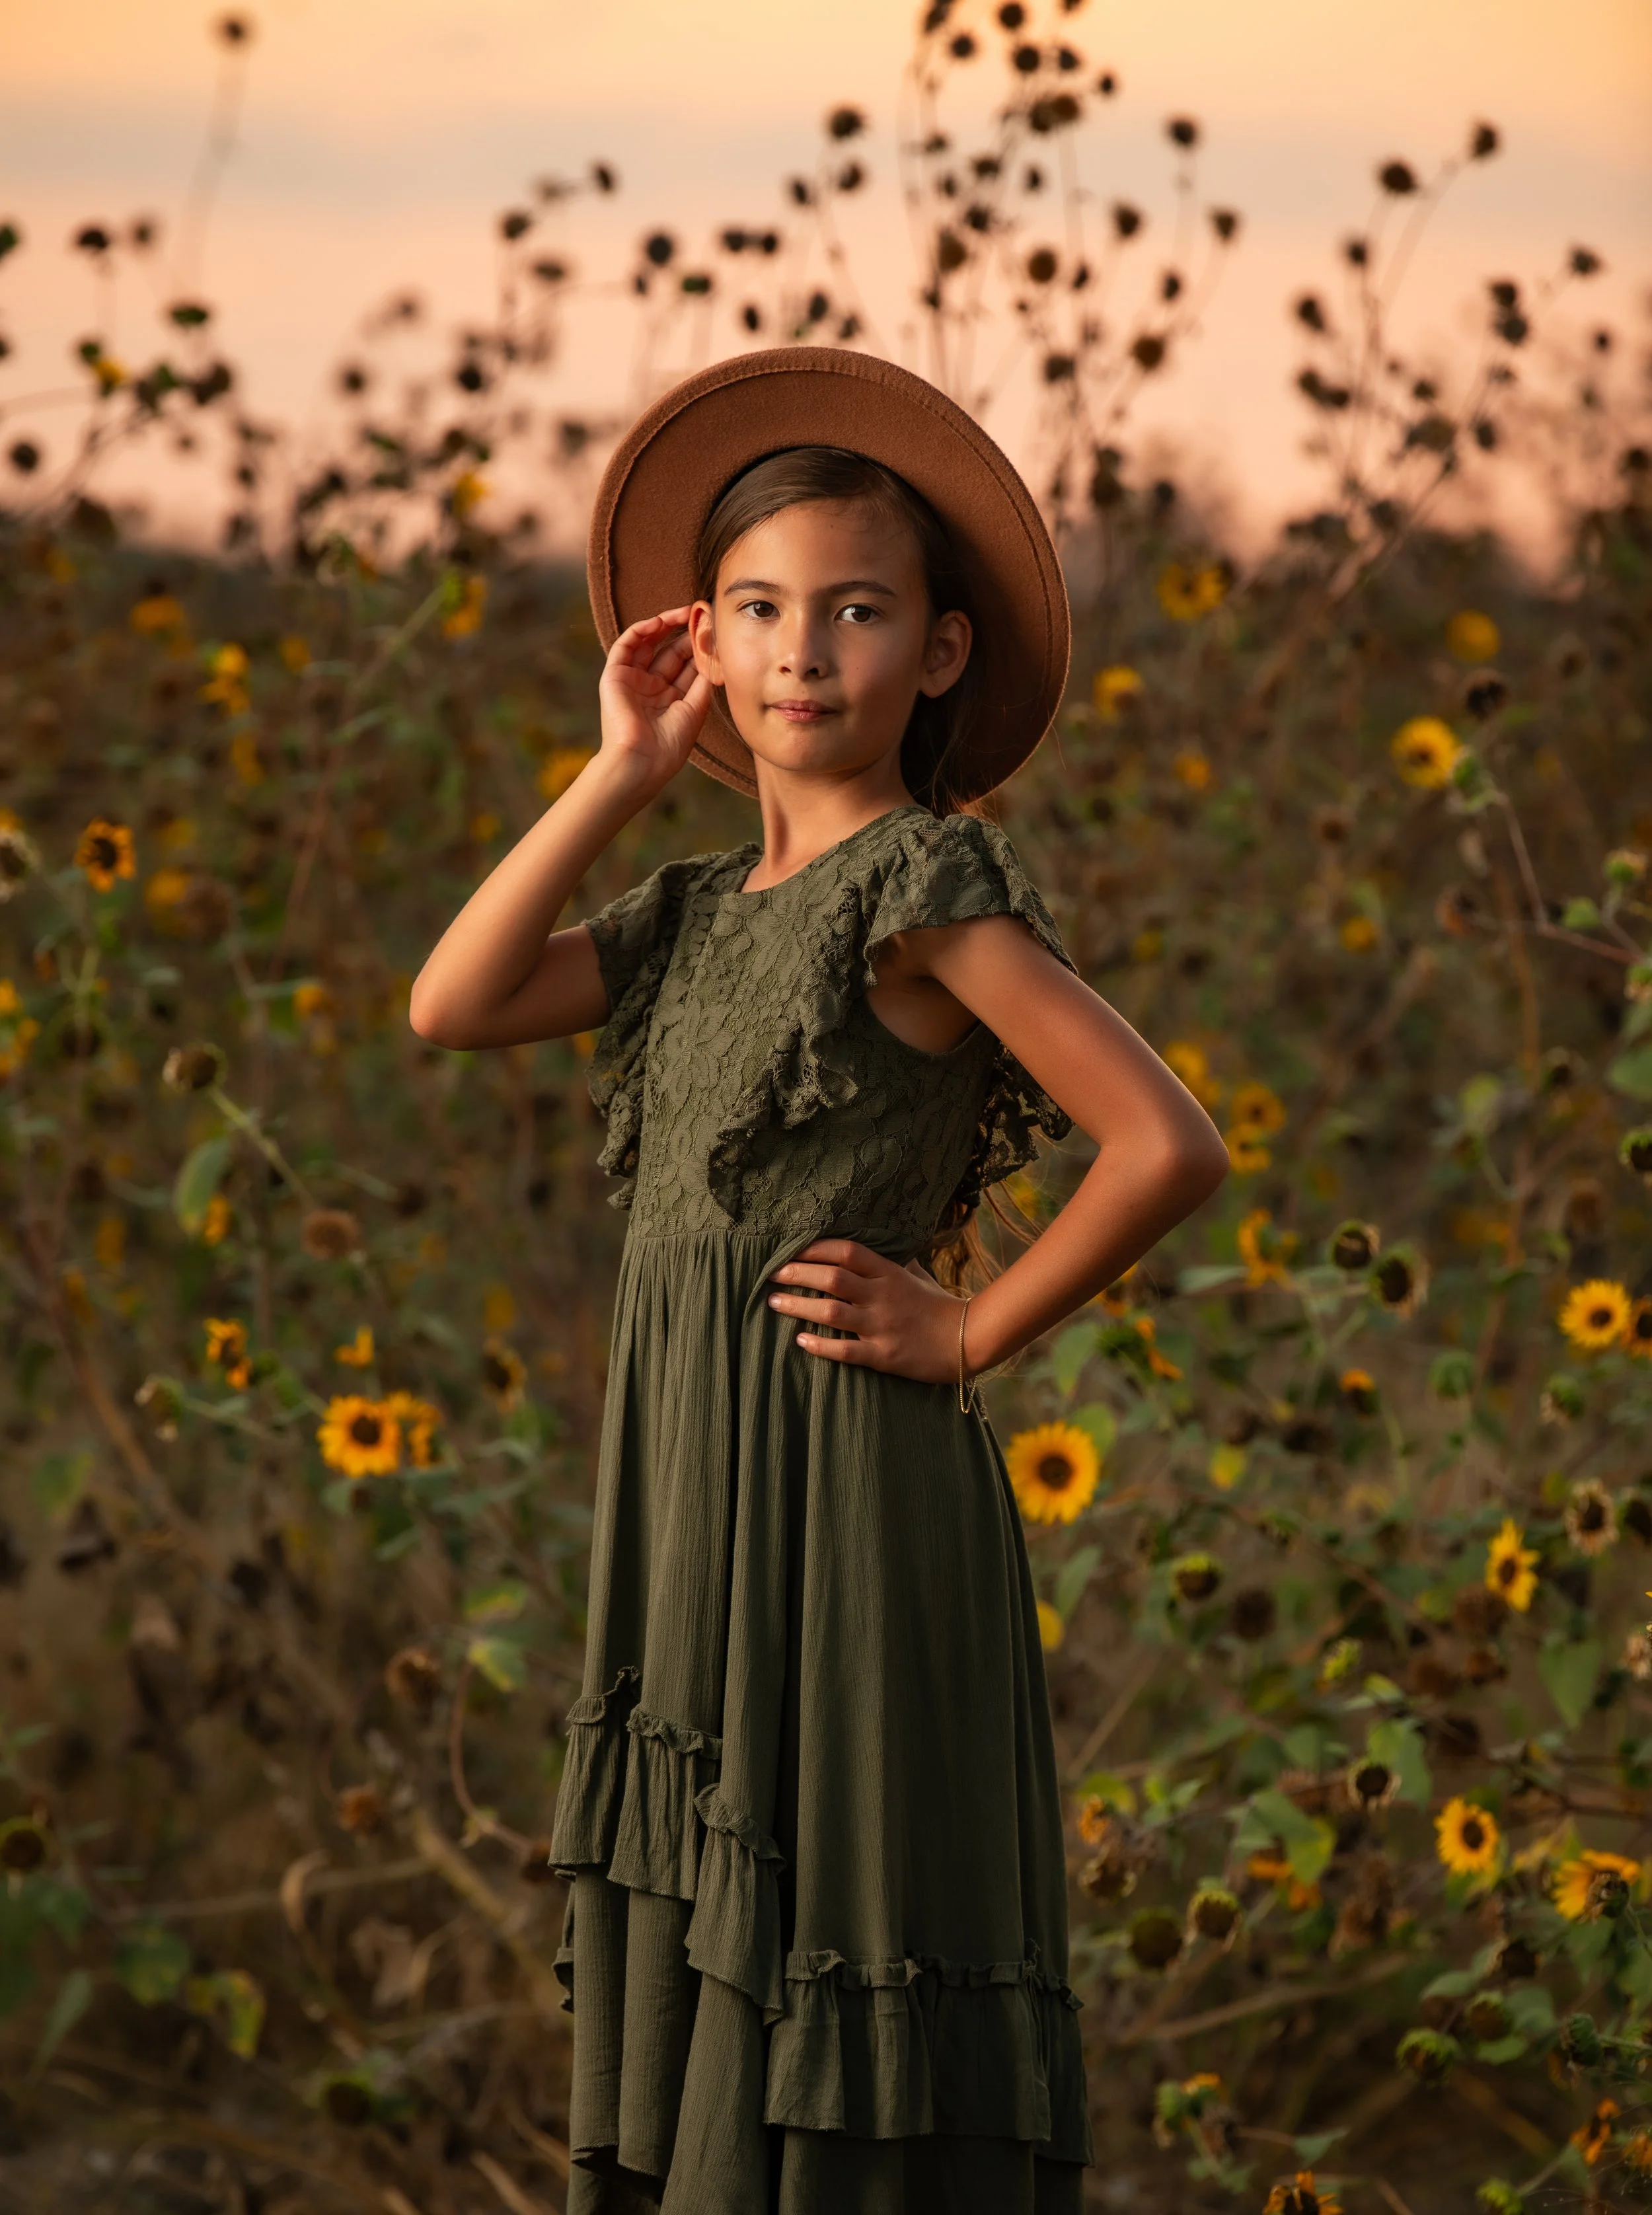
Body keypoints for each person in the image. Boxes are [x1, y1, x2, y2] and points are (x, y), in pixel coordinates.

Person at [410, 348, 1228, 2215]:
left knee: (836, 1915)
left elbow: (1167, 1143)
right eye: (761, 611)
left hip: (848, 1496)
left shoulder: (920, 887)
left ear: (935, 653)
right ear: (704, 643)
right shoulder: (694, 912)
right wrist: (619, 771)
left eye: (857, 612)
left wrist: (966, 1329)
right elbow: (448, 1002)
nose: (805, 654)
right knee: (715, 1913)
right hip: (697, 1502)